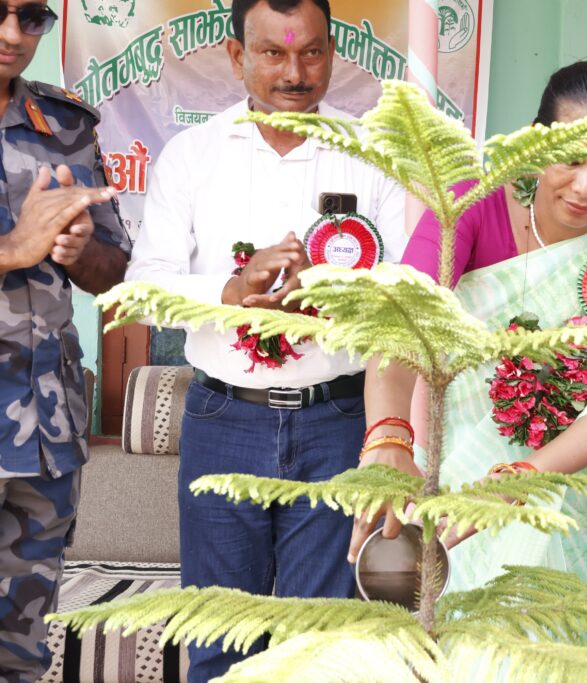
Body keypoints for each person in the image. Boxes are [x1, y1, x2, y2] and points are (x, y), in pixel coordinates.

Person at [351, 56, 587, 650]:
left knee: (569, 653)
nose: (586, 186)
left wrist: (528, 477)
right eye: (571, 157)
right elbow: (404, 325)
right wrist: (389, 435)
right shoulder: (471, 203)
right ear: (534, 139)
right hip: (456, 496)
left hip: (572, 497)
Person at [125, 0, 405, 679]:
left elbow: (405, 299)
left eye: (311, 51)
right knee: (222, 640)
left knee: (322, 646)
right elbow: (142, 287)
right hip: (225, 418)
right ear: (235, 56)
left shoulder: (373, 157)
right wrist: (229, 289)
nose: (295, 72)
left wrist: (339, 299)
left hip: (339, 421)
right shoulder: (192, 156)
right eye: (274, 53)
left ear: (333, 52)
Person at [0, 1, 128, 679]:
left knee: (21, 650)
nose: (12, 35)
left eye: (30, 17)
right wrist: (16, 247)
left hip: (44, 430)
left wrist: (79, 251)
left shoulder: (66, 127)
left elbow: (113, 272)